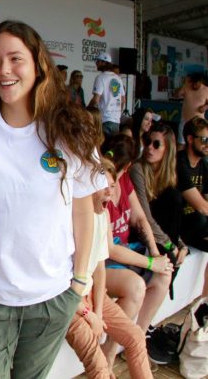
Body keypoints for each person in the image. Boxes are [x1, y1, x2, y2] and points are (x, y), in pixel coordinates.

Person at [0, 20, 103, 378]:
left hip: (53, 299)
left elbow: (84, 212)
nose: (4, 70)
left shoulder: (69, 130)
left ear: (38, 65)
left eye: (15, 59)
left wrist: (78, 283)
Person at [65, 159, 152, 379]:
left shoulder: (102, 216)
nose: (108, 193)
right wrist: (89, 315)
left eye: (111, 187)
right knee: (100, 367)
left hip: (93, 295)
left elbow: (100, 268)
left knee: (136, 338)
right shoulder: (68, 220)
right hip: (69, 304)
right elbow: (60, 285)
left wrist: (99, 312)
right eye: (103, 186)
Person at [100, 135, 173, 368]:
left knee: (164, 275)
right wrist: (150, 263)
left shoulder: (124, 180)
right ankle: (109, 352)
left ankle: (136, 343)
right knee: (136, 287)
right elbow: (109, 249)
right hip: (104, 260)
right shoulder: (103, 181)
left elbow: (140, 218)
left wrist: (155, 253)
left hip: (124, 252)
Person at [130, 122, 188, 264]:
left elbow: (172, 221)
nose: (150, 147)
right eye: (148, 142)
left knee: (174, 197)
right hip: (141, 231)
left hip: (160, 236)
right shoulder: (138, 168)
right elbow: (144, 215)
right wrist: (170, 244)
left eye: (156, 144)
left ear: (167, 149)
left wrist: (180, 244)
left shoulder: (170, 173)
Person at [177, 116, 208, 297]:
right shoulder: (179, 164)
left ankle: (204, 304)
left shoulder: (203, 165)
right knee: (200, 216)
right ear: (190, 139)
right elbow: (202, 207)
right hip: (179, 227)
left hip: (197, 226)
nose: (207, 144)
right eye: (203, 140)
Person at [90, 52, 126, 137]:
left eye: (98, 61)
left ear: (104, 63)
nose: (96, 63)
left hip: (104, 120)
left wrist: (87, 109)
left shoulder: (100, 78)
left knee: (102, 147)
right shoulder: (118, 78)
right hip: (116, 121)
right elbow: (123, 100)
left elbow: (95, 100)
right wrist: (118, 114)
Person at [175, 73, 208, 149]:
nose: (194, 85)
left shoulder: (206, 90)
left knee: (199, 145)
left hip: (199, 123)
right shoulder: (187, 86)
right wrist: (184, 84)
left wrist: (205, 107)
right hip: (185, 120)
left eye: (196, 83)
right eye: (193, 83)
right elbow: (176, 95)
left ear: (201, 81)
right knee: (181, 144)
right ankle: (180, 160)